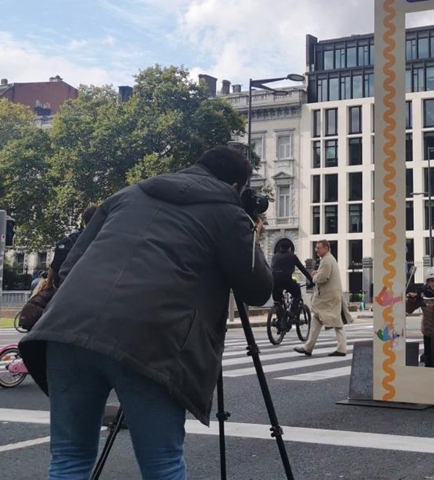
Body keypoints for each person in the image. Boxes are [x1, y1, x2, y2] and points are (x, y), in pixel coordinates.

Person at [19, 145, 273, 479]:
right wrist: (250, 233)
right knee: (162, 464)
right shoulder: (227, 213)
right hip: (152, 341)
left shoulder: (127, 194)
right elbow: (257, 290)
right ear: (236, 187)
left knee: (69, 458)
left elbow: (68, 268)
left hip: (67, 329)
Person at [294, 240, 352, 357]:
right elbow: (324, 274)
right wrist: (318, 273)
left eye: (318, 248)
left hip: (327, 297)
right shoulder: (328, 259)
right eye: (316, 248)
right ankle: (310, 347)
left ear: (326, 248)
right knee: (319, 318)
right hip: (330, 296)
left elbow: (323, 277)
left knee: (333, 321)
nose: (316, 250)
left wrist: (314, 276)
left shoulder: (326, 260)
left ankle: (339, 348)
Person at [49, 205, 98, 288]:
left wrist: (48, 284)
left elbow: (54, 267)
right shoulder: (107, 242)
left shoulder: (67, 242)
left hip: (66, 288)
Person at [271, 241, 314, 316]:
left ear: (280, 248)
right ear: (289, 249)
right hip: (287, 281)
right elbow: (302, 269)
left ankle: (280, 320)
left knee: (278, 302)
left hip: (274, 282)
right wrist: (311, 280)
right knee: (297, 294)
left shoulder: (274, 256)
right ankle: (292, 312)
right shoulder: (292, 256)